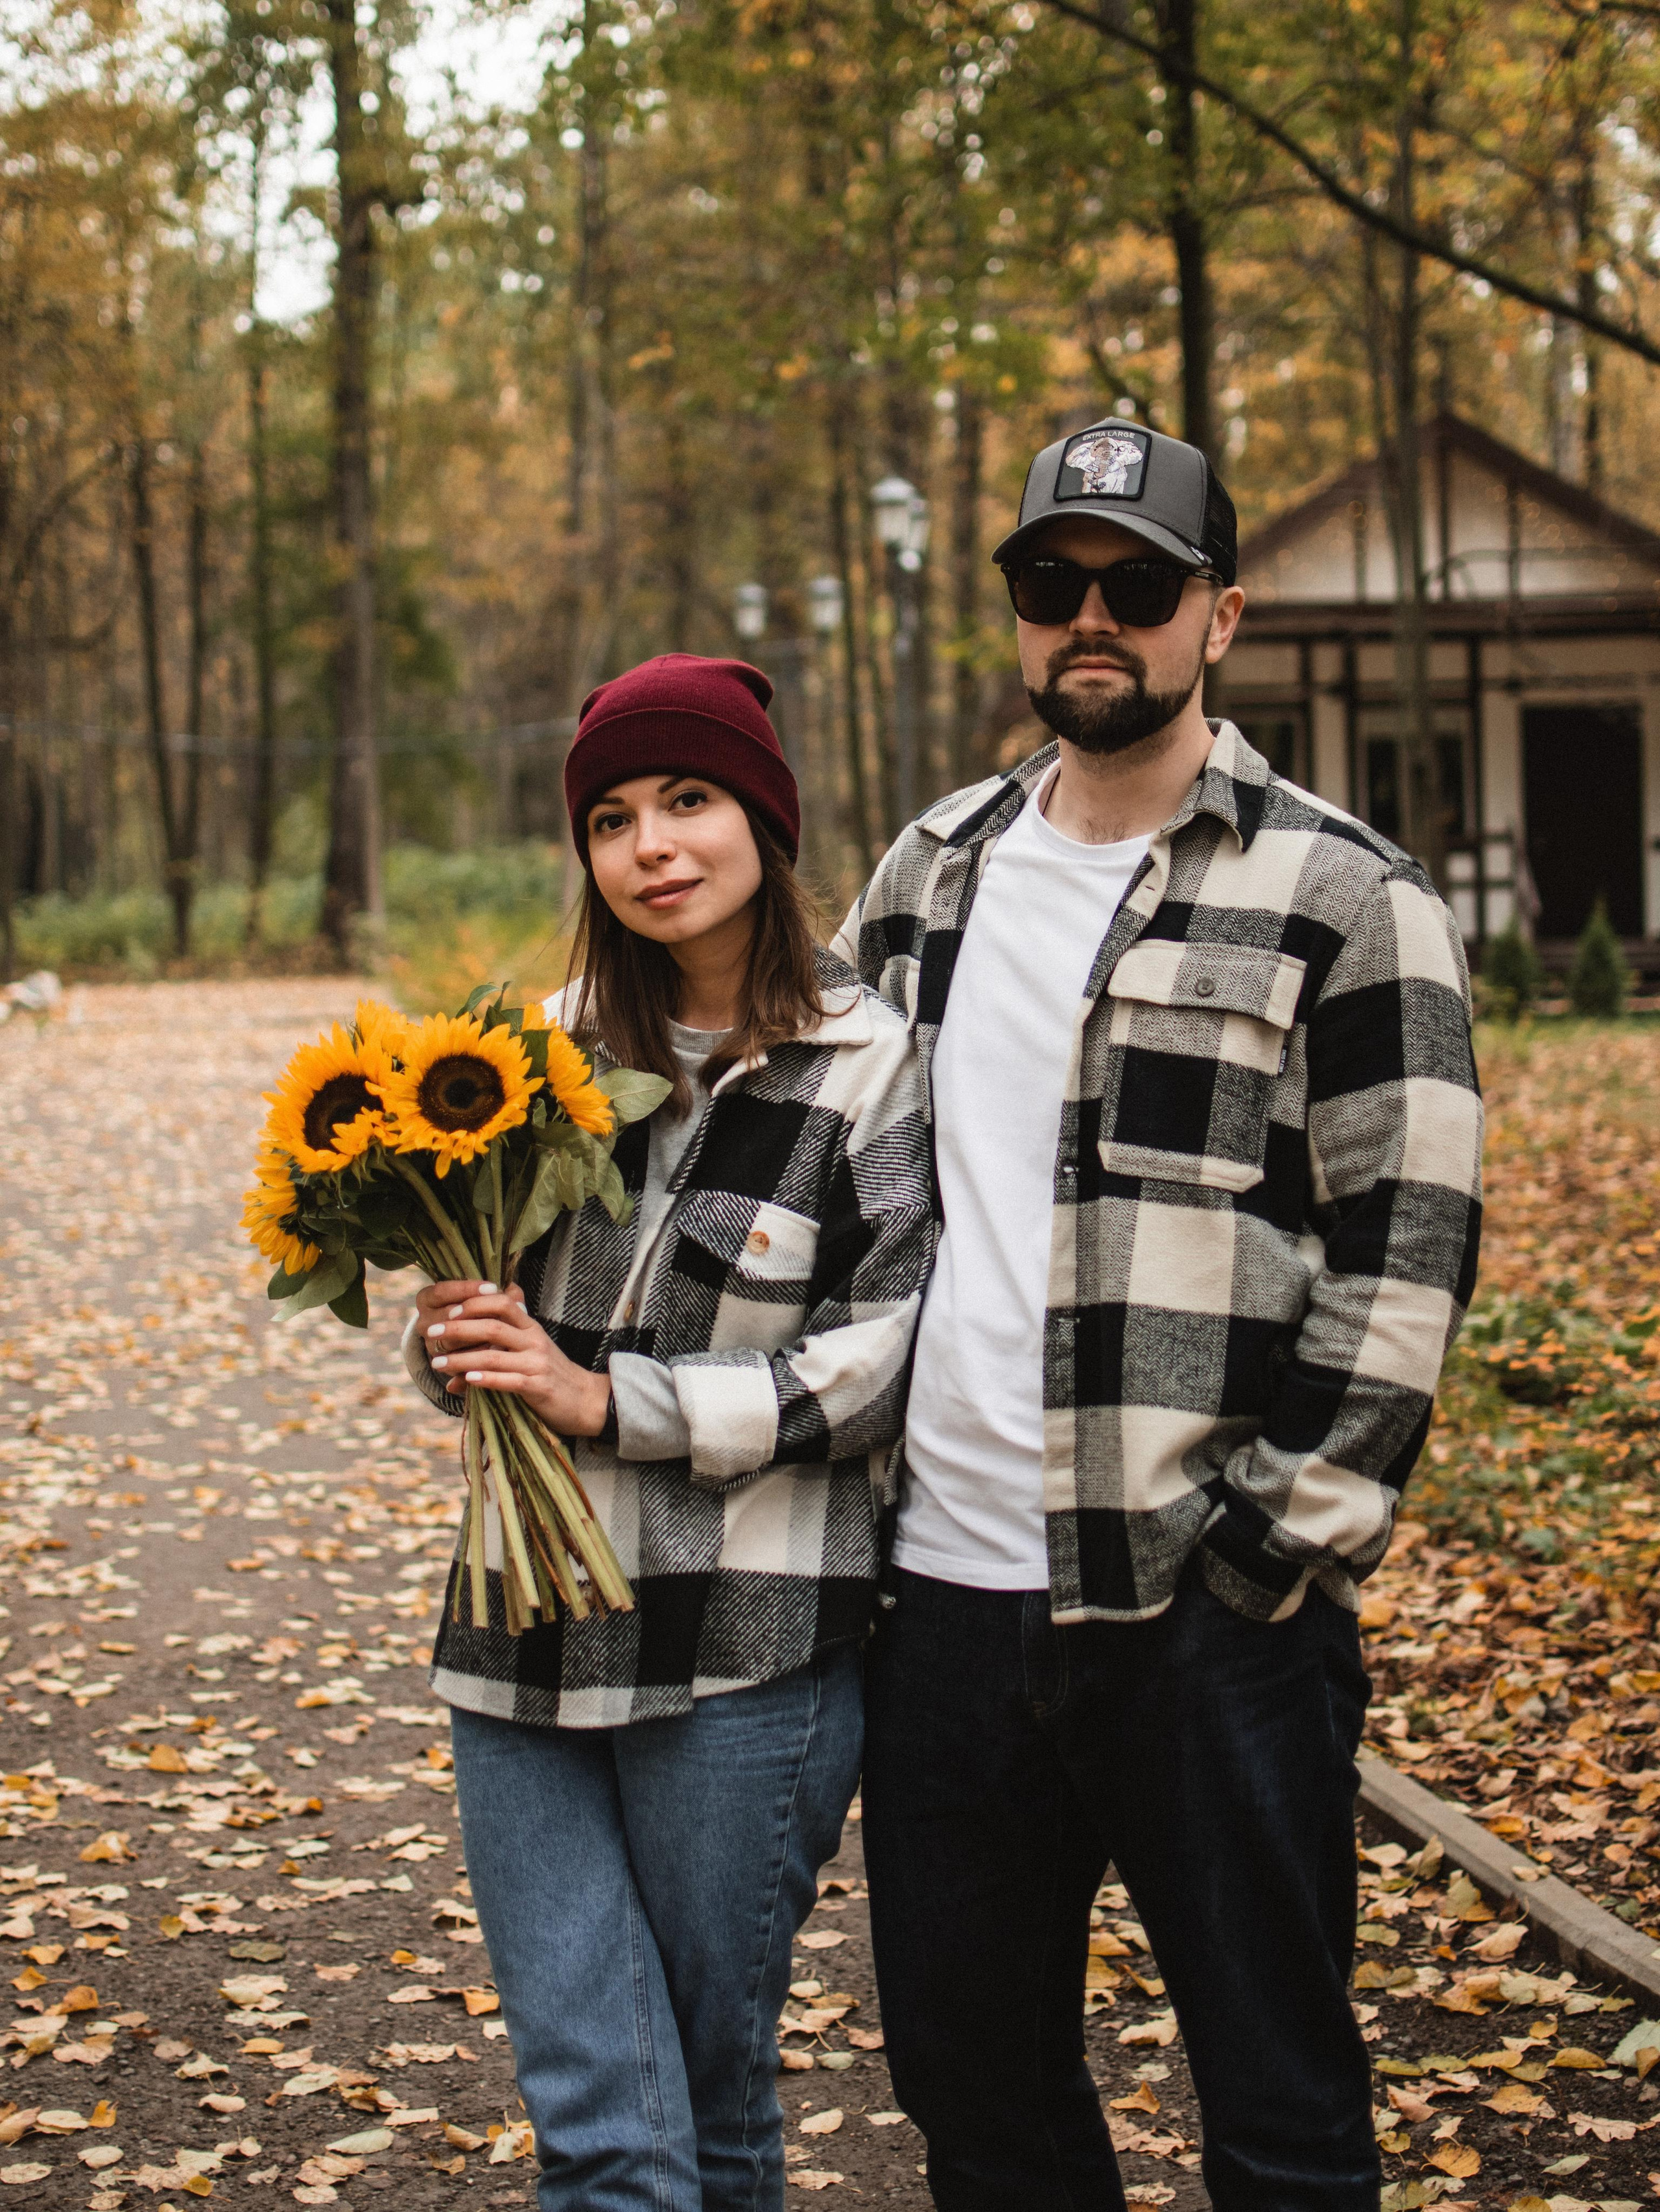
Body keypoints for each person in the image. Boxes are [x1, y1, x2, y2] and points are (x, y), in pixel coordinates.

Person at [833, 420, 1484, 2211]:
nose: (1091, 617)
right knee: (985, 2105)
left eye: (1139, 582)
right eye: (1054, 582)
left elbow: (1409, 1246)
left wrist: (1270, 1547)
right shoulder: (928, 876)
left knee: (1279, 2107)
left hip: (1209, 1618)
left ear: (1224, 614)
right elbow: (820, 1177)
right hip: (946, 1612)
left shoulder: (1348, 896)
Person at [401, 653, 932, 2212]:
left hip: (742, 1648)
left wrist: (607, 1398)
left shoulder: (871, 1064)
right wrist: (460, 1342)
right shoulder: (527, 1059)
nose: (651, 845)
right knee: (598, 2126)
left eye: (689, 800)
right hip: (521, 1635)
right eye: (614, 817)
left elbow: (886, 1360)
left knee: (705, 2102)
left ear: (763, 816)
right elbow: (469, 1349)